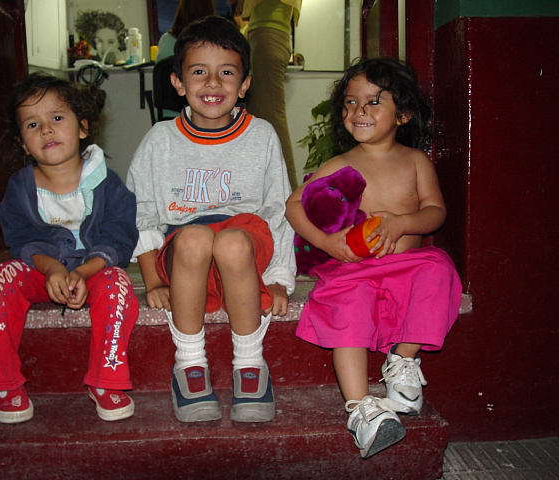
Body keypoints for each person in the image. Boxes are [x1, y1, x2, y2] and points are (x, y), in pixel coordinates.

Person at [285, 58, 462, 458]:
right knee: (347, 303)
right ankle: (360, 407)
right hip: (355, 269)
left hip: (406, 267)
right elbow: (293, 205)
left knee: (440, 269)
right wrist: (328, 244)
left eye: (372, 102)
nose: (357, 112)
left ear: (403, 113)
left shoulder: (416, 162)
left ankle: (402, 359)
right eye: (350, 103)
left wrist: (402, 223)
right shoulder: (340, 164)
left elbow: (436, 212)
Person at [126, 16, 296, 423]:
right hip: (186, 257)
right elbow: (143, 212)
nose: (213, 83)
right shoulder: (160, 141)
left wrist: (278, 277)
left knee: (232, 239)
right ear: (179, 82)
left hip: (244, 255)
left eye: (227, 73)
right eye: (199, 72)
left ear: (246, 83)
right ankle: (189, 365)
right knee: (195, 237)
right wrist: (152, 280)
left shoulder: (262, 136)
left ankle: (250, 364)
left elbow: (278, 209)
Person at [0, 72, 140, 424]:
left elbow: (120, 235)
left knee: (119, 286)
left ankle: (106, 380)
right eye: (33, 124)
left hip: (93, 270)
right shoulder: (19, 188)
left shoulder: (107, 184)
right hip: (41, 269)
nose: (46, 130)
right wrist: (49, 266)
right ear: (22, 143)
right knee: (0, 279)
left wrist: (85, 269)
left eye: (57, 118)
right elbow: (18, 236)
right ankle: (3, 382)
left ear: (82, 128)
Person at [241, 0, 302, 190]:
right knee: (261, 121)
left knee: (270, 121)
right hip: (264, 35)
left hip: (267, 35)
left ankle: (288, 195)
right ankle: (278, 193)